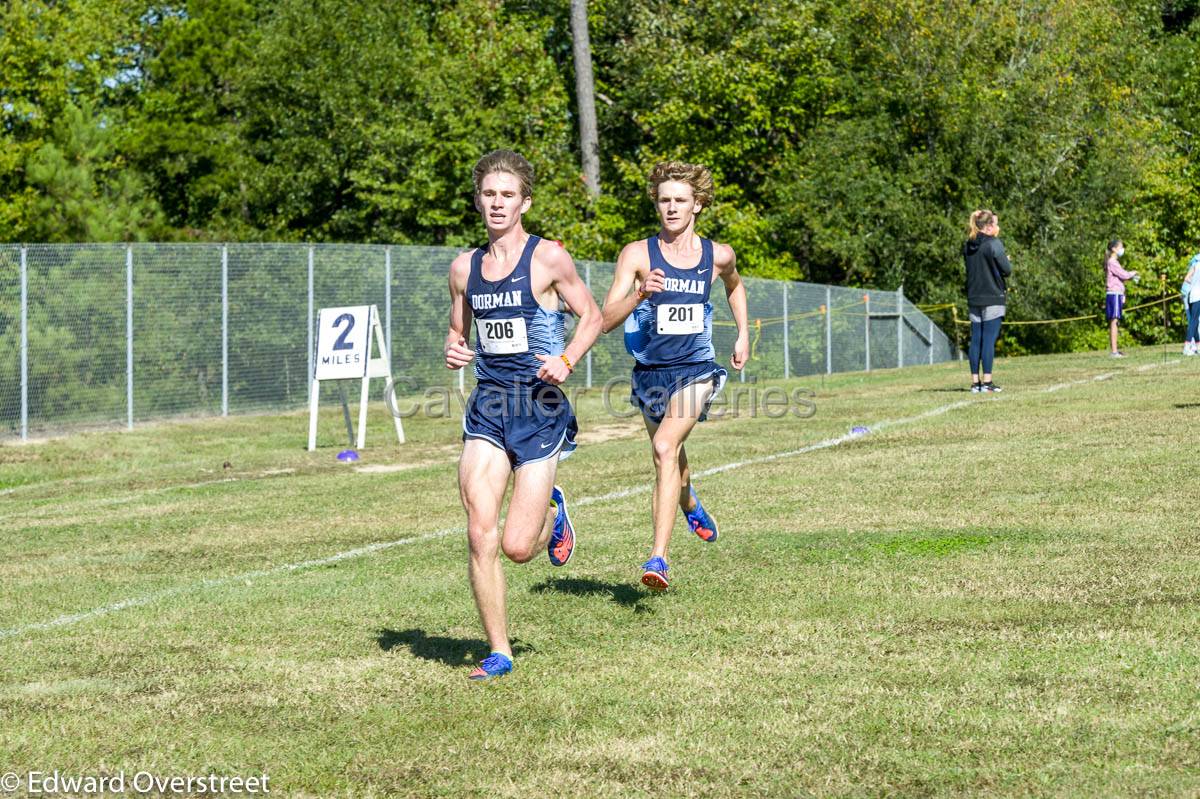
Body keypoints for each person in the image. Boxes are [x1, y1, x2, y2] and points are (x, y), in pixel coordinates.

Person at [444, 150, 602, 680]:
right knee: (479, 530)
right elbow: (458, 331)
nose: (496, 203)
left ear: (524, 202)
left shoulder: (548, 258)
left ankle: (555, 516)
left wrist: (566, 358)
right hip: (488, 406)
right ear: (478, 200)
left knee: (516, 546)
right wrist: (454, 348)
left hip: (540, 407)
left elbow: (593, 315)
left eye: (507, 194)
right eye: (489, 194)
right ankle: (499, 650)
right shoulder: (464, 268)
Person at [599, 161, 748, 592]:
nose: (671, 208)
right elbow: (605, 319)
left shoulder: (717, 255)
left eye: (680, 200)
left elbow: (735, 286)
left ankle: (658, 558)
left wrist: (742, 335)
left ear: (698, 204)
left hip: (697, 368)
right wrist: (641, 293)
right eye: (664, 200)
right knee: (669, 458)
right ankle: (690, 500)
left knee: (666, 446)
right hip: (650, 373)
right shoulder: (637, 255)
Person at [962, 209, 1012, 392]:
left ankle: (975, 383)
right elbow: (1007, 270)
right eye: (995, 224)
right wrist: (1004, 259)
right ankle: (988, 383)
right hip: (992, 296)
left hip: (974, 296)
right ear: (989, 226)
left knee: (976, 339)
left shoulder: (968, 244)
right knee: (988, 340)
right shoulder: (994, 243)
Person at [1103, 239, 1139, 357]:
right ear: (1114, 249)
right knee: (1114, 321)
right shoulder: (1112, 262)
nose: (1122, 249)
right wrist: (1132, 273)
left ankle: (1115, 350)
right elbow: (1123, 274)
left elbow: (1120, 277)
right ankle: (1114, 351)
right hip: (1114, 294)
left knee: (1115, 321)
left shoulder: (1114, 262)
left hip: (1116, 294)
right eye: (1121, 247)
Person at [1184, 253, 1200, 356]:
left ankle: (1198, 346)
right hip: (1199, 296)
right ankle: (1187, 346)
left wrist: (1194, 283)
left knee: (1194, 321)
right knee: (1194, 322)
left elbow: (1187, 279)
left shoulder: (1195, 263)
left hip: (1191, 295)